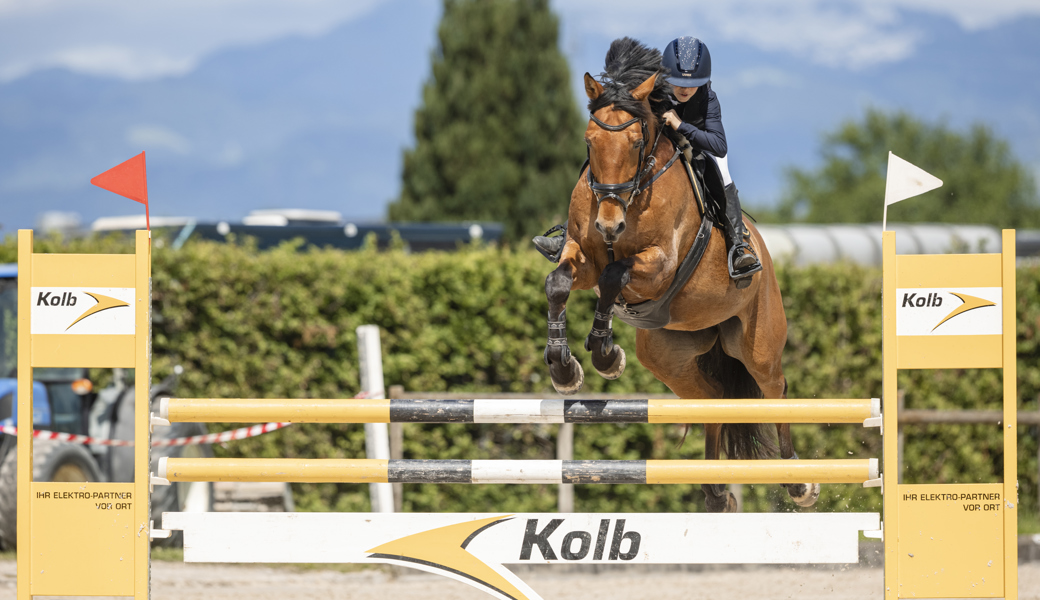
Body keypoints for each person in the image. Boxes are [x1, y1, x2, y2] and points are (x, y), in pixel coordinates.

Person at [533, 36, 761, 280]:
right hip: (654, 146)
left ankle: (738, 245)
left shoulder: (708, 99)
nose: (685, 90)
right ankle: (569, 235)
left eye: (693, 84)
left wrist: (681, 125)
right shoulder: (652, 91)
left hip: (697, 144)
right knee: (606, 156)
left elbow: (719, 145)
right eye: (677, 83)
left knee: (722, 172)